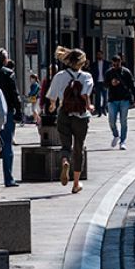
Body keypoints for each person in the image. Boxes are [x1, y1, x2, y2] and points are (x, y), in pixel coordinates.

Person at [46, 47, 93, 194]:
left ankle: (65, 161)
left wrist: (53, 106)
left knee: (65, 146)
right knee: (79, 148)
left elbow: (52, 97)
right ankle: (76, 184)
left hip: (64, 114)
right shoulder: (86, 77)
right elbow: (85, 94)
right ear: (82, 62)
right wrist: (89, 105)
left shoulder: (60, 75)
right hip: (80, 116)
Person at [0, 49, 22, 187]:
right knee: (7, 145)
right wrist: (19, 111)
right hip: (7, 112)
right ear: (4, 60)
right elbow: (14, 94)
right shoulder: (8, 73)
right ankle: (8, 178)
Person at [105, 55, 135, 149]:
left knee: (123, 121)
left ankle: (123, 141)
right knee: (112, 121)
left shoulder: (126, 72)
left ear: (120, 62)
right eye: (114, 64)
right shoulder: (109, 73)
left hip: (124, 99)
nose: (115, 65)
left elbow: (132, 85)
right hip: (112, 99)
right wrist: (111, 83)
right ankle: (116, 135)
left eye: (117, 64)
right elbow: (105, 84)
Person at [90, 50, 110, 118]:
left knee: (105, 97)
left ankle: (104, 109)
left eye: (100, 54)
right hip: (97, 82)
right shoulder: (94, 64)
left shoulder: (107, 63)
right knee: (97, 98)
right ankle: (99, 111)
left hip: (104, 82)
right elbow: (92, 74)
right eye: (97, 55)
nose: (99, 56)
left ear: (102, 55)